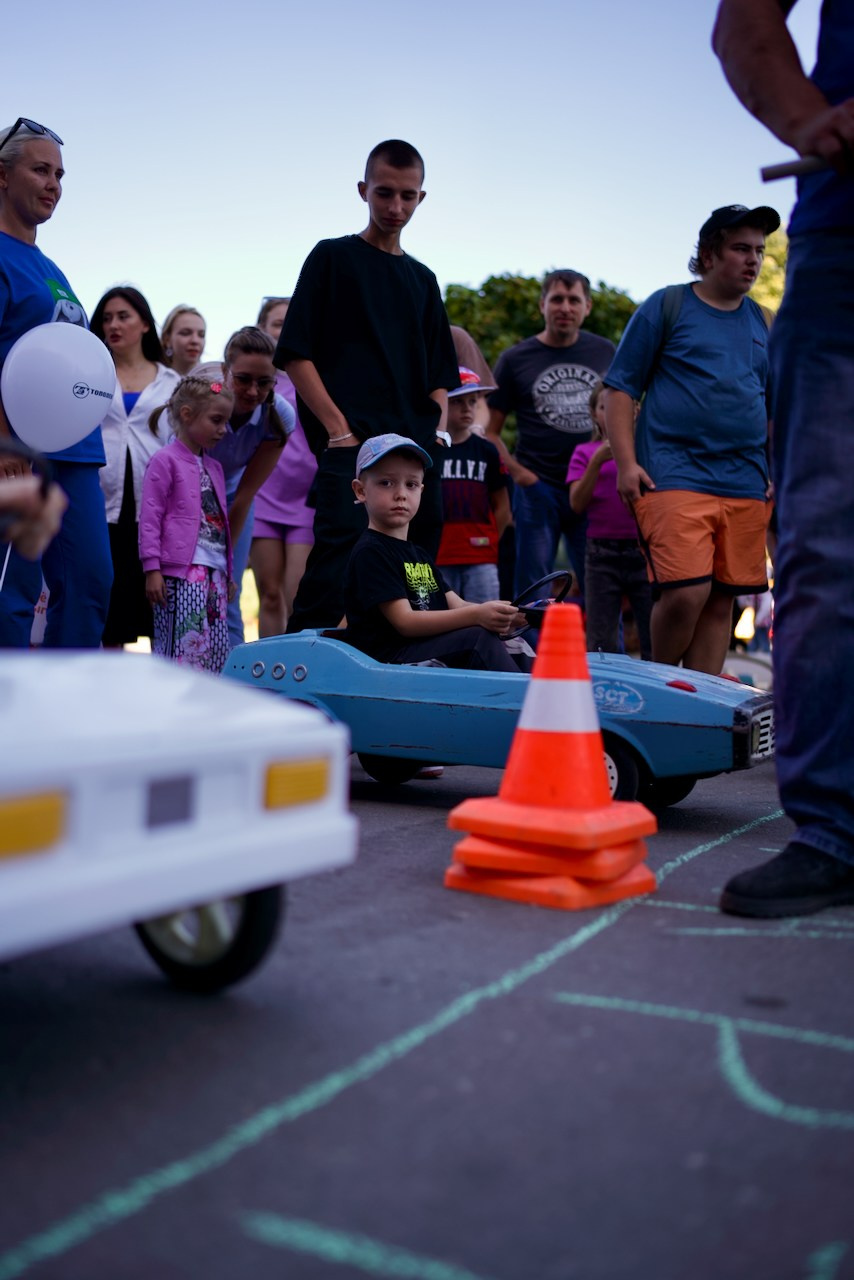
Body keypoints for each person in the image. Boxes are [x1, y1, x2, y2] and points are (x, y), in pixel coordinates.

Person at [712, 0, 854, 917]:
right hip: (847, 252)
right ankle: (835, 829)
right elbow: (746, 17)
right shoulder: (672, 315)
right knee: (830, 554)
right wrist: (809, 119)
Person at [274, 138, 459, 632]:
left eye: (407, 195)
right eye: (384, 193)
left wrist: (433, 436)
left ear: (422, 197)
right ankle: (298, 681)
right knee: (336, 568)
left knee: (417, 569)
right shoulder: (332, 258)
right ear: (363, 190)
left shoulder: (423, 279)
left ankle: (408, 665)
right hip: (353, 451)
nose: (395, 207)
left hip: (416, 455)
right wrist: (339, 433)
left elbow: (442, 374)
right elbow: (295, 352)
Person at [604, 205, 778, 676]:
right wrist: (625, 463)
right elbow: (620, 389)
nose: (754, 260)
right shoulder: (668, 305)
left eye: (759, 251)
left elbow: (776, 409)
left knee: (722, 600)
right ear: (708, 254)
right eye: (741, 248)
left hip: (745, 482)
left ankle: (700, 711)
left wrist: (774, 472)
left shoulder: (765, 322)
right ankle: (662, 684)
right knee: (686, 592)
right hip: (672, 473)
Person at [0, 117, 112, 648]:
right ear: (2, 176)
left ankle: (70, 712)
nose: (54, 185)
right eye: (40, 170)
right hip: (16, 448)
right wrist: (4, 440)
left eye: (60, 175)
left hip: (76, 453)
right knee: (12, 590)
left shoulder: (53, 269)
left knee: (91, 582)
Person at [344, 434, 523, 672]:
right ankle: (522, 703)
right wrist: (478, 616)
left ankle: (551, 691)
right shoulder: (371, 552)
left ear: (421, 490)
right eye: (386, 483)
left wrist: (513, 615)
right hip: (389, 663)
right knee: (477, 639)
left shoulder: (418, 553)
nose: (401, 494)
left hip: (422, 650)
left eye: (411, 484)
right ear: (360, 491)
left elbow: (456, 604)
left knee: (509, 639)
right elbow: (405, 622)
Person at [486, 270, 615, 596]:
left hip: (591, 485)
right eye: (557, 299)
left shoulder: (607, 353)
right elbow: (489, 432)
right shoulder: (515, 359)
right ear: (543, 304)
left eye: (574, 300)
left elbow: (624, 415)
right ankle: (530, 648)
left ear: (587, 306)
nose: (565, 307)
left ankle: (605, 649)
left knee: (600, 582)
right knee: (533, 584)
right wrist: (521, 475)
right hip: (538, 488)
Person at [91, 285, 180, 647]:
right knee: (110, 606)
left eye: (123, 316)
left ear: (144, 323)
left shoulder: (172, 382)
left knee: (158, 610)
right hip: (101, 501)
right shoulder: (89, 374)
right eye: (106, 318)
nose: (113, 324)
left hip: (157, 508)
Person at [203, 326, 294, 647]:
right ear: (226, 371)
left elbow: (245, 494)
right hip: (187, 495)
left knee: (229, 589)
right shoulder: (204, 401)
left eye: (264, 382)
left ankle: (233, 680)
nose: (253, 391)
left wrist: (227, 557)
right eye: (243, 379)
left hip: (233, 497)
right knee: (190, 588)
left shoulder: (279, 416)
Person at [141, 376, 234, 673]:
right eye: (216, 420)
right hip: (180, 573)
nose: (223, 430)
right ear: (187, 414)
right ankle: (169, 708)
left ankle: (205, 709)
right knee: (181, 646)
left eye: (225, 422)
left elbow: (219, 524)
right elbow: (150, 517)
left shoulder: (215, 467)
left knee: (217, 647)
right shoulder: (164, 461)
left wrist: (227, 571)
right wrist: (152, 569)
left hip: (214, 573)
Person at [568, 383, 652, 659]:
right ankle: (603, 692)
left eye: (620, 406)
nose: (612, 413)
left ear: (634, 411)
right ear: (594, 414)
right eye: (604, 407)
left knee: (652, 629)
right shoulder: (583, 452)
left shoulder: (645, 450)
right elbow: (576, 504)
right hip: (600, 553)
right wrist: (596, 462)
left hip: (644, 548)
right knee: (601, 636)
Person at [250, 296, 317, 635]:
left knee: (297, 594)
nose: (284, 330)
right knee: (270, 595)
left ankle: (296, 678)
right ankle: (266, 682)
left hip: (306, 501)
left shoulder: (313, 377)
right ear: (262, 330)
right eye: (277, 323)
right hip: (263, 498)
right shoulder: (252, 383)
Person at [436, 367, 510, 603]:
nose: (467, 408)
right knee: (441, 621)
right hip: (438, 555)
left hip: (480, 556)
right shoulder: (430, 451)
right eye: (457, 401)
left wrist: (487, 541)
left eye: (472, 401)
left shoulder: (487, 450)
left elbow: (503, 507)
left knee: (487, 620)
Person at [160, 305, 206, 375]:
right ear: (167, 339)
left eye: (201, 335)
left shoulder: (214, 382)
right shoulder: (152, 380)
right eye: (185, 333)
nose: (195, 340)